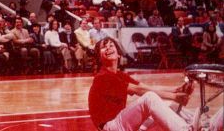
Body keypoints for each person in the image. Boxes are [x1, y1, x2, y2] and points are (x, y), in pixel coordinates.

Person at [88, 36, 224, 131]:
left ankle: (206, 127)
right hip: (111, 127)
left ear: (118, 54)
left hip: (121, 123)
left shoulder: (118, 75)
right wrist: (175, 96)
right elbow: (139, 90)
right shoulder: (103, 77)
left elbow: (146, 87)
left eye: (111, 45)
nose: (108, 48)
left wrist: (176, 90)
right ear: (99, 57)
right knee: (149, 98)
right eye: (103, 47)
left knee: (170, 105)